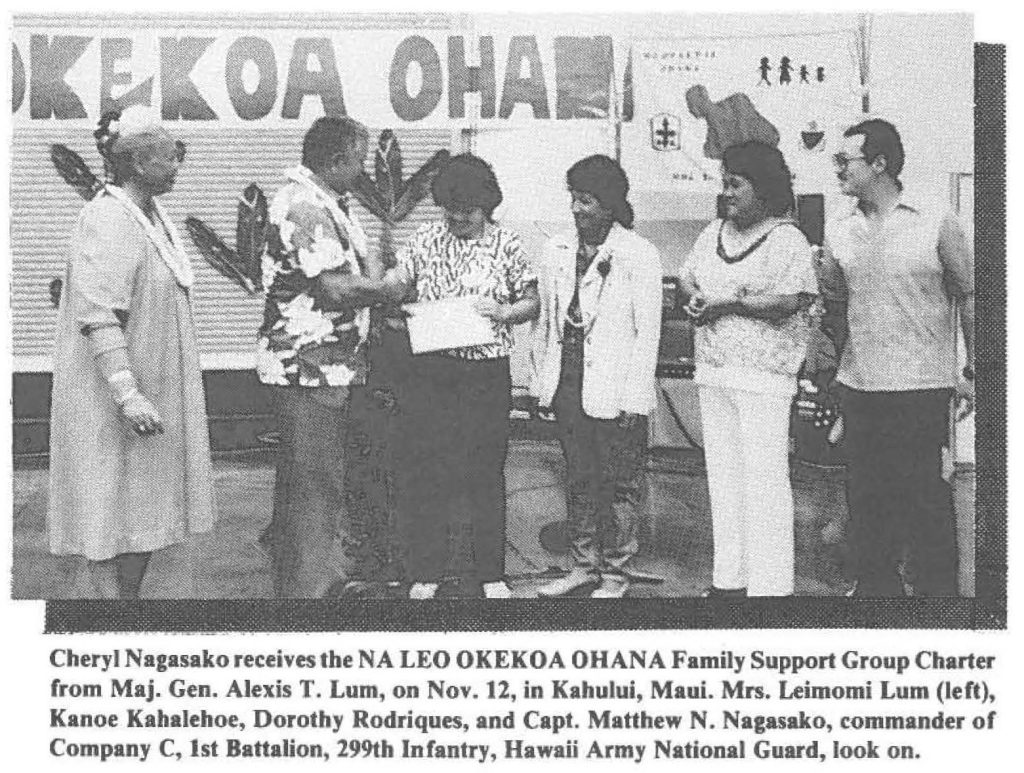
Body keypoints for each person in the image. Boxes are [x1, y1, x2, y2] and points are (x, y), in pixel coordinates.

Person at [48, 106, 214, 598]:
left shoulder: (150, 215)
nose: (178, 165)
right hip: (114, 400)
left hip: (151, 389)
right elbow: (99, 316)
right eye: (170, 156)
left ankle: (125, 609)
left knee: (134, 517)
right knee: (107, 517)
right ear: (140, 164)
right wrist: (128, 395)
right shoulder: (108, 218)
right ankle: (105, 624)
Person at [357, 154, 535, 600]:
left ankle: (491, 572)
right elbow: (397, 286)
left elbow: (531, 301)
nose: (456, 219)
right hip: (431, 372)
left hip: (485, 373)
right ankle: (427, 570)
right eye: (449, 210)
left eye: (467, 212)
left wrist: (505, 311)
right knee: (428, 470)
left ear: (487, 205)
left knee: (484, 470)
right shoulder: (427, 238)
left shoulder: (507, 244)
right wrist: (382, 285)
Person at [813, 119, 974, 597]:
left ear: (879, 163)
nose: (837, 169)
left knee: (925, 498)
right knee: (866, 499)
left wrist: (975, 371)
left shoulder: (935, 220)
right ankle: (876, 592)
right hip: (860, 386)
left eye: (846, 160)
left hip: (921, 388)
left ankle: (935, 601)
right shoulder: (840, 230)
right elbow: (837, 307)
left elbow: (968, 294)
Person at [679, 141, 817, 598]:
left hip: (763, 380)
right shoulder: (712, 232)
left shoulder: (787, 239)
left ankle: (771, 589)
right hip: (715, 372)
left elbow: (789, 301)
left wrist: (729, 302)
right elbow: (687, 275)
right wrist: (695, 294)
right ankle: (729, 580)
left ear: (764, 187)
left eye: (736, 184)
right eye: (724, 184)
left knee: (764, 483)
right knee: (723, 481)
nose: (727, 193)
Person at [256, 116, 383, 598]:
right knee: (314, 485)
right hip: (309, 367)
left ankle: (311, 579)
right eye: (358, 161)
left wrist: (373, 278)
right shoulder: (305, 207)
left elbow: (360, 262)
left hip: (325, 365)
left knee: (311, 479)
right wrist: (392, 290)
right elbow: (335, 287)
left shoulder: (328, 203)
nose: (362, 170)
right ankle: (308, 593)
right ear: (335, 161)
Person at [532, 155, 663, 599]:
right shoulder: (555, 250)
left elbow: (648, 334)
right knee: (579, 477)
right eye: (573, 198)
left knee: (620, 483)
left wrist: (635, 397)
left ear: (609, 205)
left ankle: (615, 571)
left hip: (616, 386)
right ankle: (583, 566)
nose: (576, 208)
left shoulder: (638, 254)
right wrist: (541, 383)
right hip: (567, 383)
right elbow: (545, 325)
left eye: (586, 200)